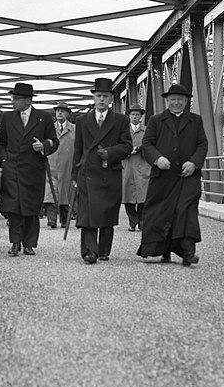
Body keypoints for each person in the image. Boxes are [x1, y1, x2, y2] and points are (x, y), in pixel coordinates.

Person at [137, 83, 208, 267]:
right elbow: (147, 144)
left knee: (186, 211)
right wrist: (157, 158)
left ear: (186, 102)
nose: (176, 102)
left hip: (187, 175)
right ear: (167, 101)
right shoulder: (156, 120)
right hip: (163, 176)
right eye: (173, 99)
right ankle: (163, 250)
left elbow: (202, 144)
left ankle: (188, 252)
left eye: (180, 99)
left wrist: (194, 162)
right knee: (161, 212)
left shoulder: (196, 120)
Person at [71, 78, 132, 264]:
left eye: (105, 96)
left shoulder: (121, 120)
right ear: (94, 98)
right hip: (88, 172)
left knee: (107, 212)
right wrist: (74, 175)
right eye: (98, 96)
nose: (101, 100)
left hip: (109, 172)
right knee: (88, 214)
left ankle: (104, 250)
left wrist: (110, 153)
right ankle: (89, 251)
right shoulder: (82, 120)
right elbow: (78, 149)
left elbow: (127, 146)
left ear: (111, 99)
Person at [0, 82, 58, 257]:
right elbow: (1, 143)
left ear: (27, 100)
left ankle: (29, 244)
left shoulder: (44, 118)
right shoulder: (7, 117)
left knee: (32, 208)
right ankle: (15, 243)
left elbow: (54, 141)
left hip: (34, 169)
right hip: (13, 169)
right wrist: (3, 161)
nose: (12, 102)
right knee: (14, 207)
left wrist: (44, 145)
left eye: (15, 98)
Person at [43, 101, 75, 229]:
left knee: (65, 193)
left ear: (67, 114)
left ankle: (64, 219)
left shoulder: (75, 129)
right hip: (51, 163)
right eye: (57, 111)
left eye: (62, 111)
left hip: (68, 165)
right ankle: (51, 219)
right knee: (50, 190)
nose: (60, 113)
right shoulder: (49, 128)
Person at [122, 103, 149, 231]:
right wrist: (126, 151)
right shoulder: (123, 131)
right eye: (132, 114)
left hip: (143, 167)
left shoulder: (147, 131)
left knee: (144, 197)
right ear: (129, 116)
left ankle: (142, 222)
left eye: (137, 114)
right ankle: (133, 222)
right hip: (127, 168)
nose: (135, 117)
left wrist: (139, 149)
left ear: (141, 116)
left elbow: (151, 146)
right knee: (128, 197)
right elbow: (117, 147)